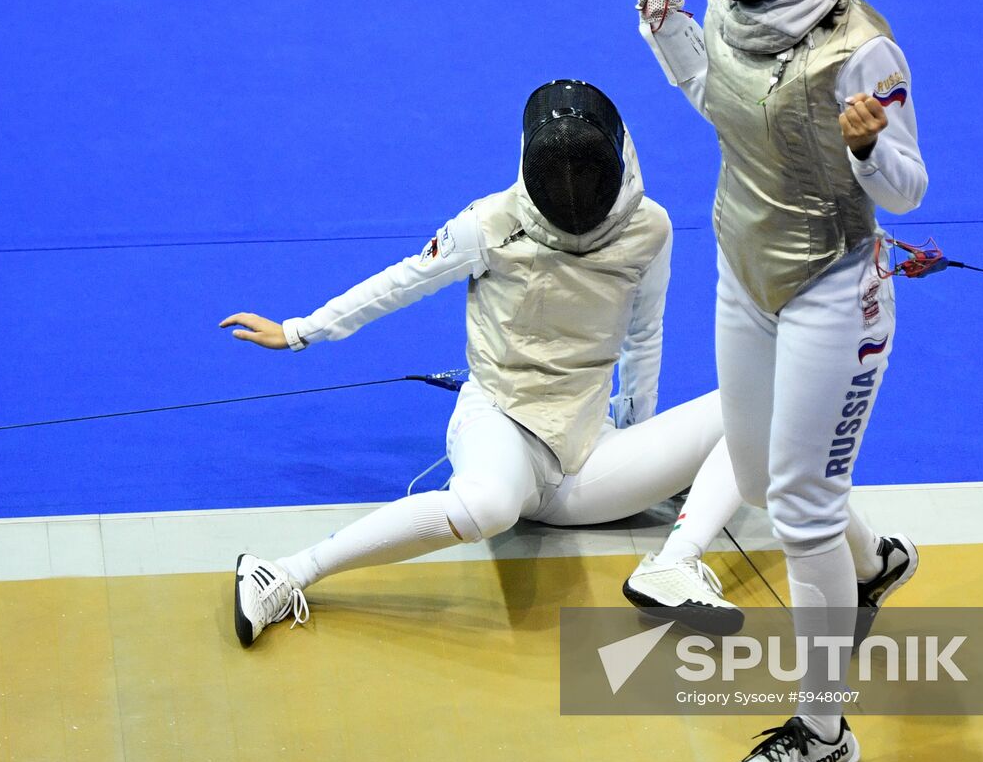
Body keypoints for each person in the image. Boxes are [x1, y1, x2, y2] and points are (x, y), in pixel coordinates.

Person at [221, 79, 739, 647]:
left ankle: (675, 562)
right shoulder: (488, 223)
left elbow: (645, 335)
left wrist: (644, 442)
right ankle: (289, 571)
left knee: (757, 405)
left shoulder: (650, 229)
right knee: (490, 505)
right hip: (501, 428)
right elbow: (401, 283)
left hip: (587, 458)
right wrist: (301, 331)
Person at [628, 0, 927, 762]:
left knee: (797, 512)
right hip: (740, 269)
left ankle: (824, 728)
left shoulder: (863, 50)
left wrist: (871, 149)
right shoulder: (735, 10)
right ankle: (874, 563)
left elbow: (909, 193)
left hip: (834, 291)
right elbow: (715, 100)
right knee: (756, 479)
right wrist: (666, 26)